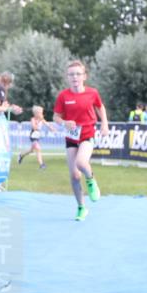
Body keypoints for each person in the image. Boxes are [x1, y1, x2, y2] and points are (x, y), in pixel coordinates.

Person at [53, 61, 110, 221]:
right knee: (74, 175)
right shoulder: (63, 96)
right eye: (71, 74)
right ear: (67, 77)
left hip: (87, 135)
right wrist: (64, 122)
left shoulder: (92, 93)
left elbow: (100, 107)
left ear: (84, 76)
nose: (75, 77)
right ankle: (81, 207)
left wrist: (104, 123)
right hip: (71, 137)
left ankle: (91, 180)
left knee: (81, 162)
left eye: (78, 74)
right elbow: (56, 117)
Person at [18, 105, 54, 169]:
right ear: (36, 113)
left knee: (31, 150)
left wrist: (52, 128)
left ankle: (21, 155)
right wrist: (38, 122)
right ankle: (41, 164)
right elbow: (34, 128)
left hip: (37, 136)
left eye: (42, 112)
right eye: (40, 113)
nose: (41, 114)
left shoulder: (42, 119)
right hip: (33, 136)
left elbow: (47, 124)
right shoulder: (33, 119)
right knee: (38, 148)